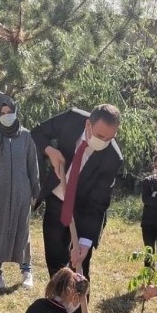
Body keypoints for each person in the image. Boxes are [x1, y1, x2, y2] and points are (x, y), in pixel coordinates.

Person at [32, 105, 123, 282]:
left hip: (83, 211)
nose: (104, 142)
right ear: (87, 124)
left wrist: (85, 242)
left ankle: (78, 308)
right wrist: (50, 151)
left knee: (79, 270)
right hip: (56, 202)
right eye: (100, 136)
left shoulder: (112, 157)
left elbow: (98, 203)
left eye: (110, 137)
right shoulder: (71, 120)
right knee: (55, 261)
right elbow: (37, 133)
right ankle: (57, 303)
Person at [0, 94, 40, 289]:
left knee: (23, 227)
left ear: (15, 111)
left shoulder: (26, 136)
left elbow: (33, 164)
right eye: (2, 113)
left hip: (22, 190)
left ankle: (26, 270)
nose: (6, 115)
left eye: (9, 112)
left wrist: (36, 190)